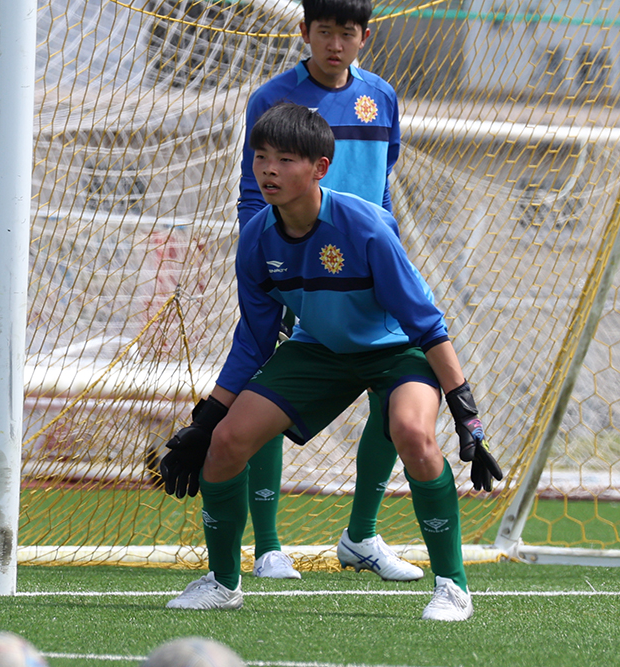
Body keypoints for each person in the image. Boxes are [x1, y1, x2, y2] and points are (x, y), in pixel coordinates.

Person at [159, 103, 503, 620]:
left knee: (414, 435)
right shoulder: (256, 238)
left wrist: (466, 416)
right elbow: (254, 341)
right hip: (319, 349)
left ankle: (453, 587)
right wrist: (205, 422)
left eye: (285, 159)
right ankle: (222, 583)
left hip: (397, 348)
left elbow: (426, 323)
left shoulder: (365, 227)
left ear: (320, 167)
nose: (269, 170)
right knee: (227, 442)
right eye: (260, 157)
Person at [235, 0, 413, 582]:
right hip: (295, 274)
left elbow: (381, 190)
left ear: (365, 37)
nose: (335, 44)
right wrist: (271, 268)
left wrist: (387, 255)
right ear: (304, 32)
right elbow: (253, 194)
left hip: (364, 273)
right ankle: (268, 547)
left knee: (395, 389)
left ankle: (361, 535)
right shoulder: (271, 99)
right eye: (324, 31)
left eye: (347, 33)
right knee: (265, 389)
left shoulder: (381, 98)